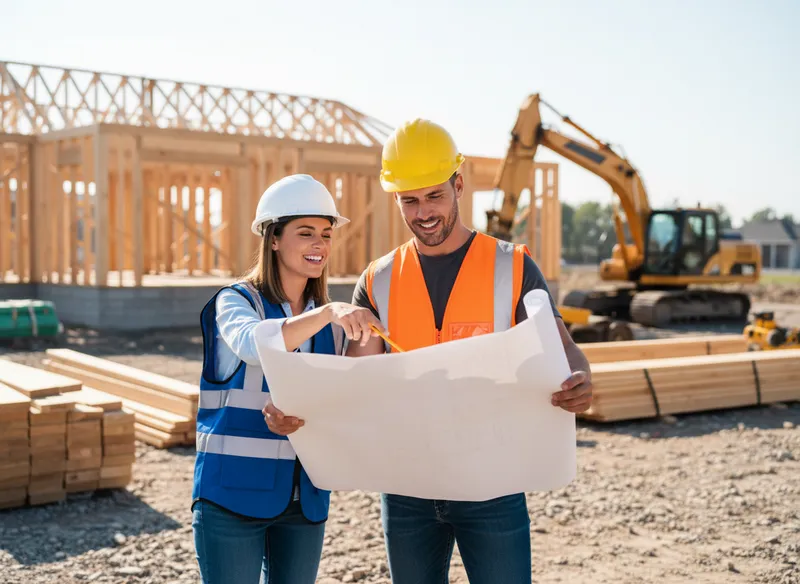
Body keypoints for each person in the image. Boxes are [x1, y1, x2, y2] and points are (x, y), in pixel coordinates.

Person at [347, 118, 594, 583]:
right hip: (407, 485)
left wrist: (581, 379)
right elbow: (359, 381)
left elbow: (565, 351)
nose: (423, 213)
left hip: (491, 481)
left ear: (458, 184)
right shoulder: (377, 280)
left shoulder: (512, 266)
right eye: (410, 200)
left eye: (435, 195)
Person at [191, 173, 385, 584]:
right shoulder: (237, 302)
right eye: (306, 233)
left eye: (327, 234)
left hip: (305, 501)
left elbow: (352, 396)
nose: (320, 245)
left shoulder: (332, 324)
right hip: (231, 496)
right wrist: (329, 312)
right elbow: (252, 344)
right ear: (273, 239)